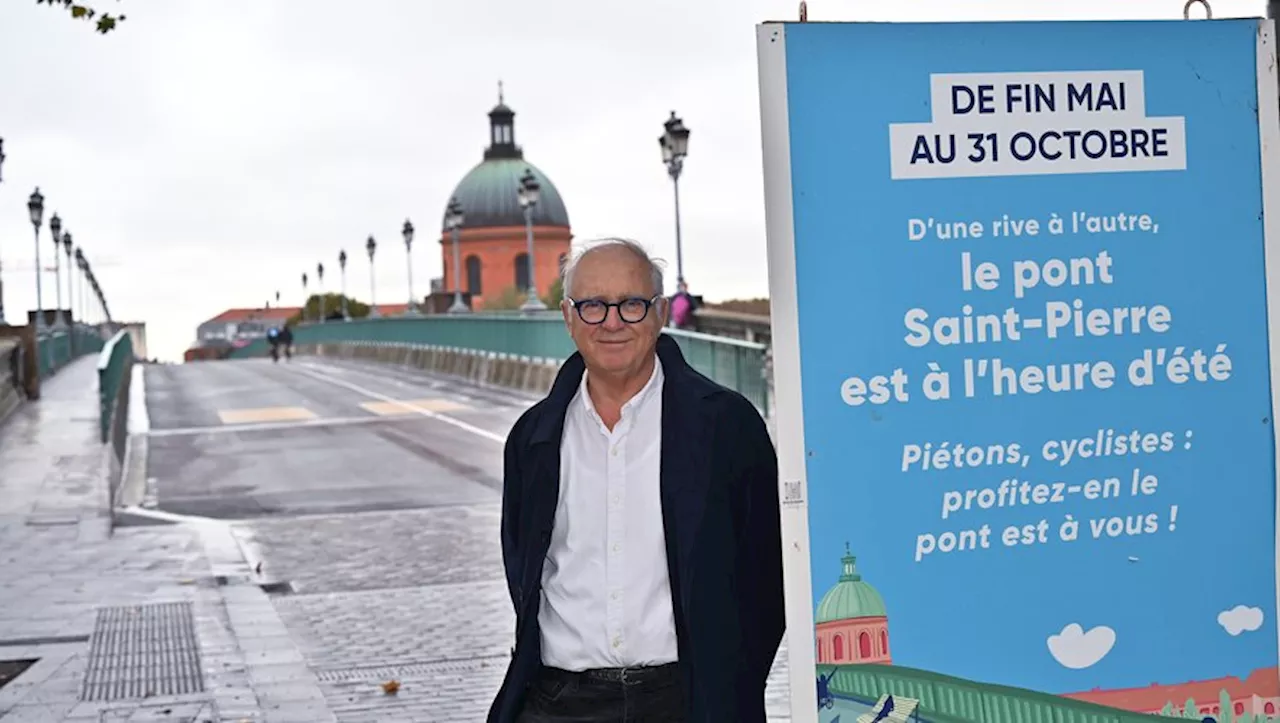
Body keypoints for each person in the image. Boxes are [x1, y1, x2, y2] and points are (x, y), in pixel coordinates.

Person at [488, 238, 784, 723]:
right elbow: (523, 567)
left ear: (660, 313)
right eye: (592, 306)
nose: (611, 322)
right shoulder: (532, 439)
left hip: (687, 703)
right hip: (558, 703)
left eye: (630, 304)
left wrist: (731, 685)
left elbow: (766, 578)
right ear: (567, 316)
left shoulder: (727, 426)